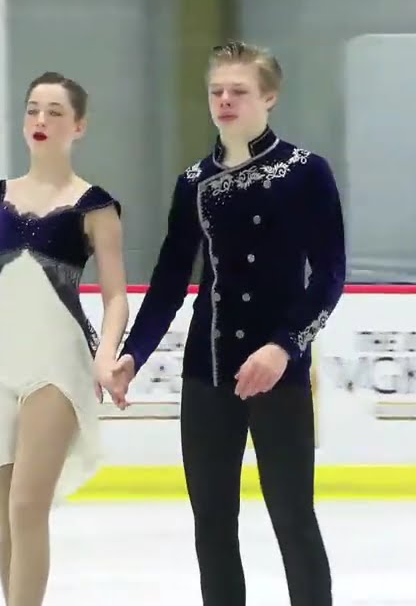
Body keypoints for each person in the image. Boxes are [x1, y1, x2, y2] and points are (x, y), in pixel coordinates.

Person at [106, 40, 346, 606]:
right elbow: (169, 280)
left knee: (291, 515)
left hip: (278, 368)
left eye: (238, 91)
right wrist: (133, 354)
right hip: (207, 369)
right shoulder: (193, 182)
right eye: (216, 91)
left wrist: (284, 347)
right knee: (212, 520)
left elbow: (330, 274)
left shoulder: (305, 172)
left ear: (269, 96)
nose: (225, 100)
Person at [0, 71, 129, 606]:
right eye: (33, 109)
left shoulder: (95, 205)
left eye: (55, 111)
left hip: (57, 365)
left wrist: (105, 353)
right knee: (4, 515)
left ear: (78, 125)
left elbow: (115, 296)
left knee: (26, 507)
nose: (41, 120)